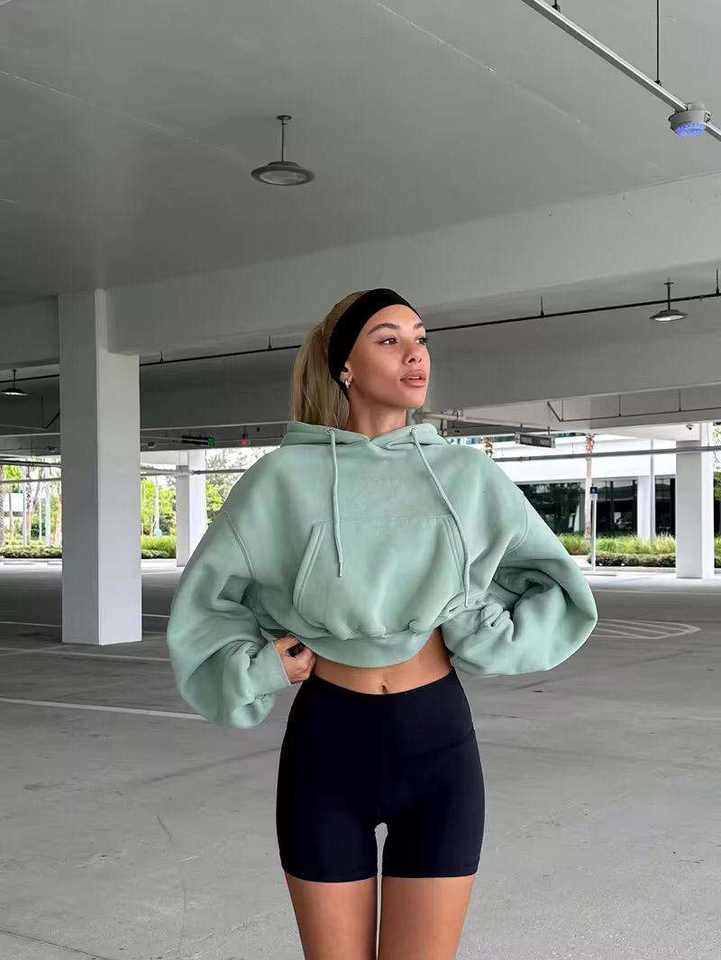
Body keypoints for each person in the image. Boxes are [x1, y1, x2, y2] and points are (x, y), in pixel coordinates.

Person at [166, 287, 599, 959]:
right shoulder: (281, 479)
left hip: (438, 742)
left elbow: (555, 587)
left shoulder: (466, 474)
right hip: (327, 744)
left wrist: (475, 626)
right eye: (389, 339)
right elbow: (207, 603)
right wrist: (261, 665)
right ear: (344, 365)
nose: (414, 354)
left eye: (420, 338)